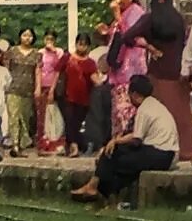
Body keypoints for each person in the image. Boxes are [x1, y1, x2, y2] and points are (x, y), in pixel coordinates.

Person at [70, 74, 177, 205]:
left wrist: (116, 141)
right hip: (164, 153)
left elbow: (136, 139)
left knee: (114, 157)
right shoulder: (154, 105)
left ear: (135, 94)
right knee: (116, 161)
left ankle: (95, 187)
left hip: (160, 154)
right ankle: (103, 193)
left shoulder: (145, 109)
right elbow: (136, 135)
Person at [136, 0, 192, 160]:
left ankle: (163, 148)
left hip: (158, 72)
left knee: (159, 115)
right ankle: (189, 150)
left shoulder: (150, 18)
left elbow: (128, 36)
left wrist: (149, 47)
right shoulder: (178, 18)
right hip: (178, 71)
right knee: (182, 115)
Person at [97, 0, 148, 137]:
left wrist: (118, 16)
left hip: (131, 69)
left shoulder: (136, 12)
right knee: (117, 113)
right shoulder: (121, 15)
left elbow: (129, 36)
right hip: (118, 70)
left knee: (126, 111)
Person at [59, 34, 98, 157]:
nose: (82, 47)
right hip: (67, 96)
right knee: (69, 121)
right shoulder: (67, 58)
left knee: (77, 123)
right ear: (76, 44)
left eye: (85, 44)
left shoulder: (90, 63)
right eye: (80, 44)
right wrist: (51, 91)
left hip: (84, 98)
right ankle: (74, 147)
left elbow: (95, 79)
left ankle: (71, 145)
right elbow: (57, 74)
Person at [5, 29, 41, 154]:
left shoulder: (36, 54)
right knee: (13, 116)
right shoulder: (12, 51)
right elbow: (6, 69)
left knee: (25, 118)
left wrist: (38, 87)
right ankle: (14, 143)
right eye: (25, 35)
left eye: (30, 36)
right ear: (20, 36)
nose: (27, 38)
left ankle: (22, 144)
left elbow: (37, 71)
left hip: (28, 89)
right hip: (12, 87)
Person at [35, 29, 65, 155]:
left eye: (51, 39)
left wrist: (52, 89)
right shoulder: (40, 52)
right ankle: (42, 144)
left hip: (54, 86)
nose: (49, 42)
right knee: (41, 115)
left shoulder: (59, 52)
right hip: (43, 85)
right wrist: (38, 86)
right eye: (47, 39)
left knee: (53, 115)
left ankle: (55, 142)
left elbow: (59, 70)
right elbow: (38, 69)